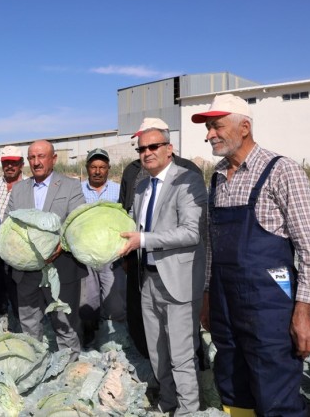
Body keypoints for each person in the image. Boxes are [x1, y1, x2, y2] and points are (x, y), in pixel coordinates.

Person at [192, 94, 310, 416]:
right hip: (224, 298)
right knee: (231, 376)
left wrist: (303, 311)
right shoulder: (218, 177)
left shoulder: (281, 170)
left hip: (267, 299)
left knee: (273, 379)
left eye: (216, 126)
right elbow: (212, 245)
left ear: (245, 127)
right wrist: (209, 295)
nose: (209, 134)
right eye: (208, 128)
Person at [119, 124, 207, 415]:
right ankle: (167, 402)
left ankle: (188, 409)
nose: (147, 153)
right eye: (142, 149)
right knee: (158, 352)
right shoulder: (143, 186)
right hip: (149, 280)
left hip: (179, 281)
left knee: (182, 354)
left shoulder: (189, 181)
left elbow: (191, 233)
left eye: (153, 147)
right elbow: (131, 226)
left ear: (169, 149)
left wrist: (143, 240)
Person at [6, 139, 87, 360]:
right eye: (32, 157)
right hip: (27, 272)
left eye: (41, 156)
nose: (36, 162)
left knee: (65, 325)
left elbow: (78, 224)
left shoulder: (70, 186)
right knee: (29, 325)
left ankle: (70, 373)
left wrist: (60, 245)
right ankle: (34, 367)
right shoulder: (19, 189)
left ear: (53, 159)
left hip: (60, 268)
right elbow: (7, 223)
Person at [79, 148, 124, 347]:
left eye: (102, 167)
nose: (98, 171)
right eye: (94, 167)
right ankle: (89, 339)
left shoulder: (119, 190)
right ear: (87, 168)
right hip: (85, 257)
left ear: (108, 169)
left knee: (115, 304)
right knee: (87, 303)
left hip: (112, 257)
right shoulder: (77, 190)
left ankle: (113, 339)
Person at [0, 145, 25, 331]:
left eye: (14, 163)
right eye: (6, 163)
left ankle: (20, 320)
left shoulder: (28, 185)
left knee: (17, 285)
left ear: (21, 164)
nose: (10, 166)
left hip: (18, 246)